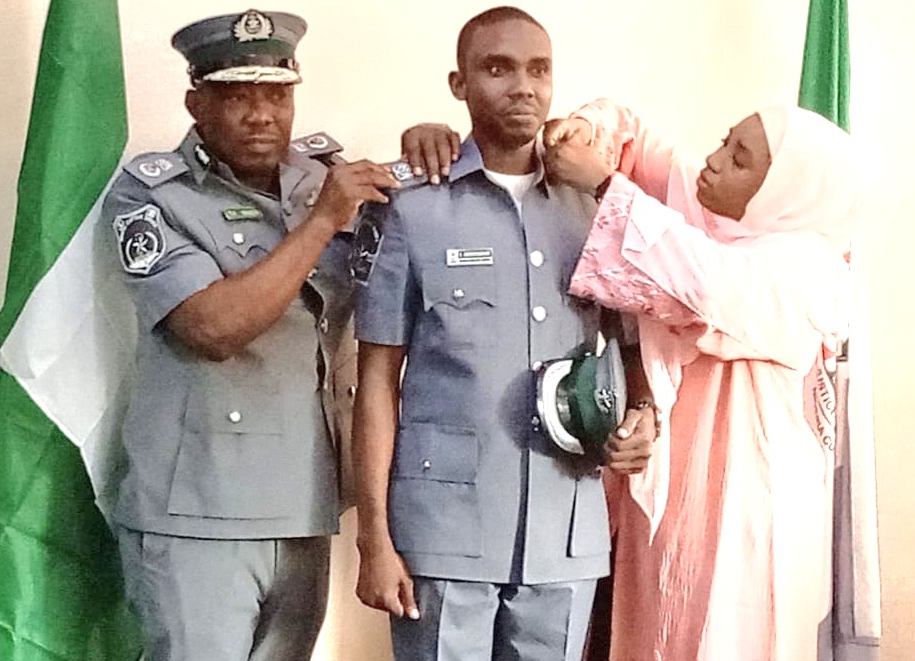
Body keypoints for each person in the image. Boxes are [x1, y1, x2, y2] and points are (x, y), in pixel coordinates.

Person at [351, 9, 657, 661]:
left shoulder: (595, 205)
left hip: (564, 525)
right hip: (443, 530)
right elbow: (376, 377)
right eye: (498, 68)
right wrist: (373, 536)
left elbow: (631, 346)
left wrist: (642, 413)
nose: (522, 86)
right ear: (458, 84)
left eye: (538, 70)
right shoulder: (411, 204)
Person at [100, 10, 403, 661]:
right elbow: (211, 327)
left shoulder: (322, 177)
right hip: (197, 514)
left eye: (277, 96)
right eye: (238, 97)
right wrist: (320, 224)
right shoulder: (153, 195)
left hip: (304, 502)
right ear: (197, 104)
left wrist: (433, 143)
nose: (262, 115)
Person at [542, 99, 860, 660]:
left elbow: (705, 285)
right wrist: (586, 129)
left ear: (782, 192)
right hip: (680, 495)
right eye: (724, 142)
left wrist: (606, 185)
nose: (714, 161)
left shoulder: (808, 268)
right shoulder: (715, 220)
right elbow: (634, 139)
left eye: (740, 159)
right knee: (657, 633)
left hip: (749, 504)